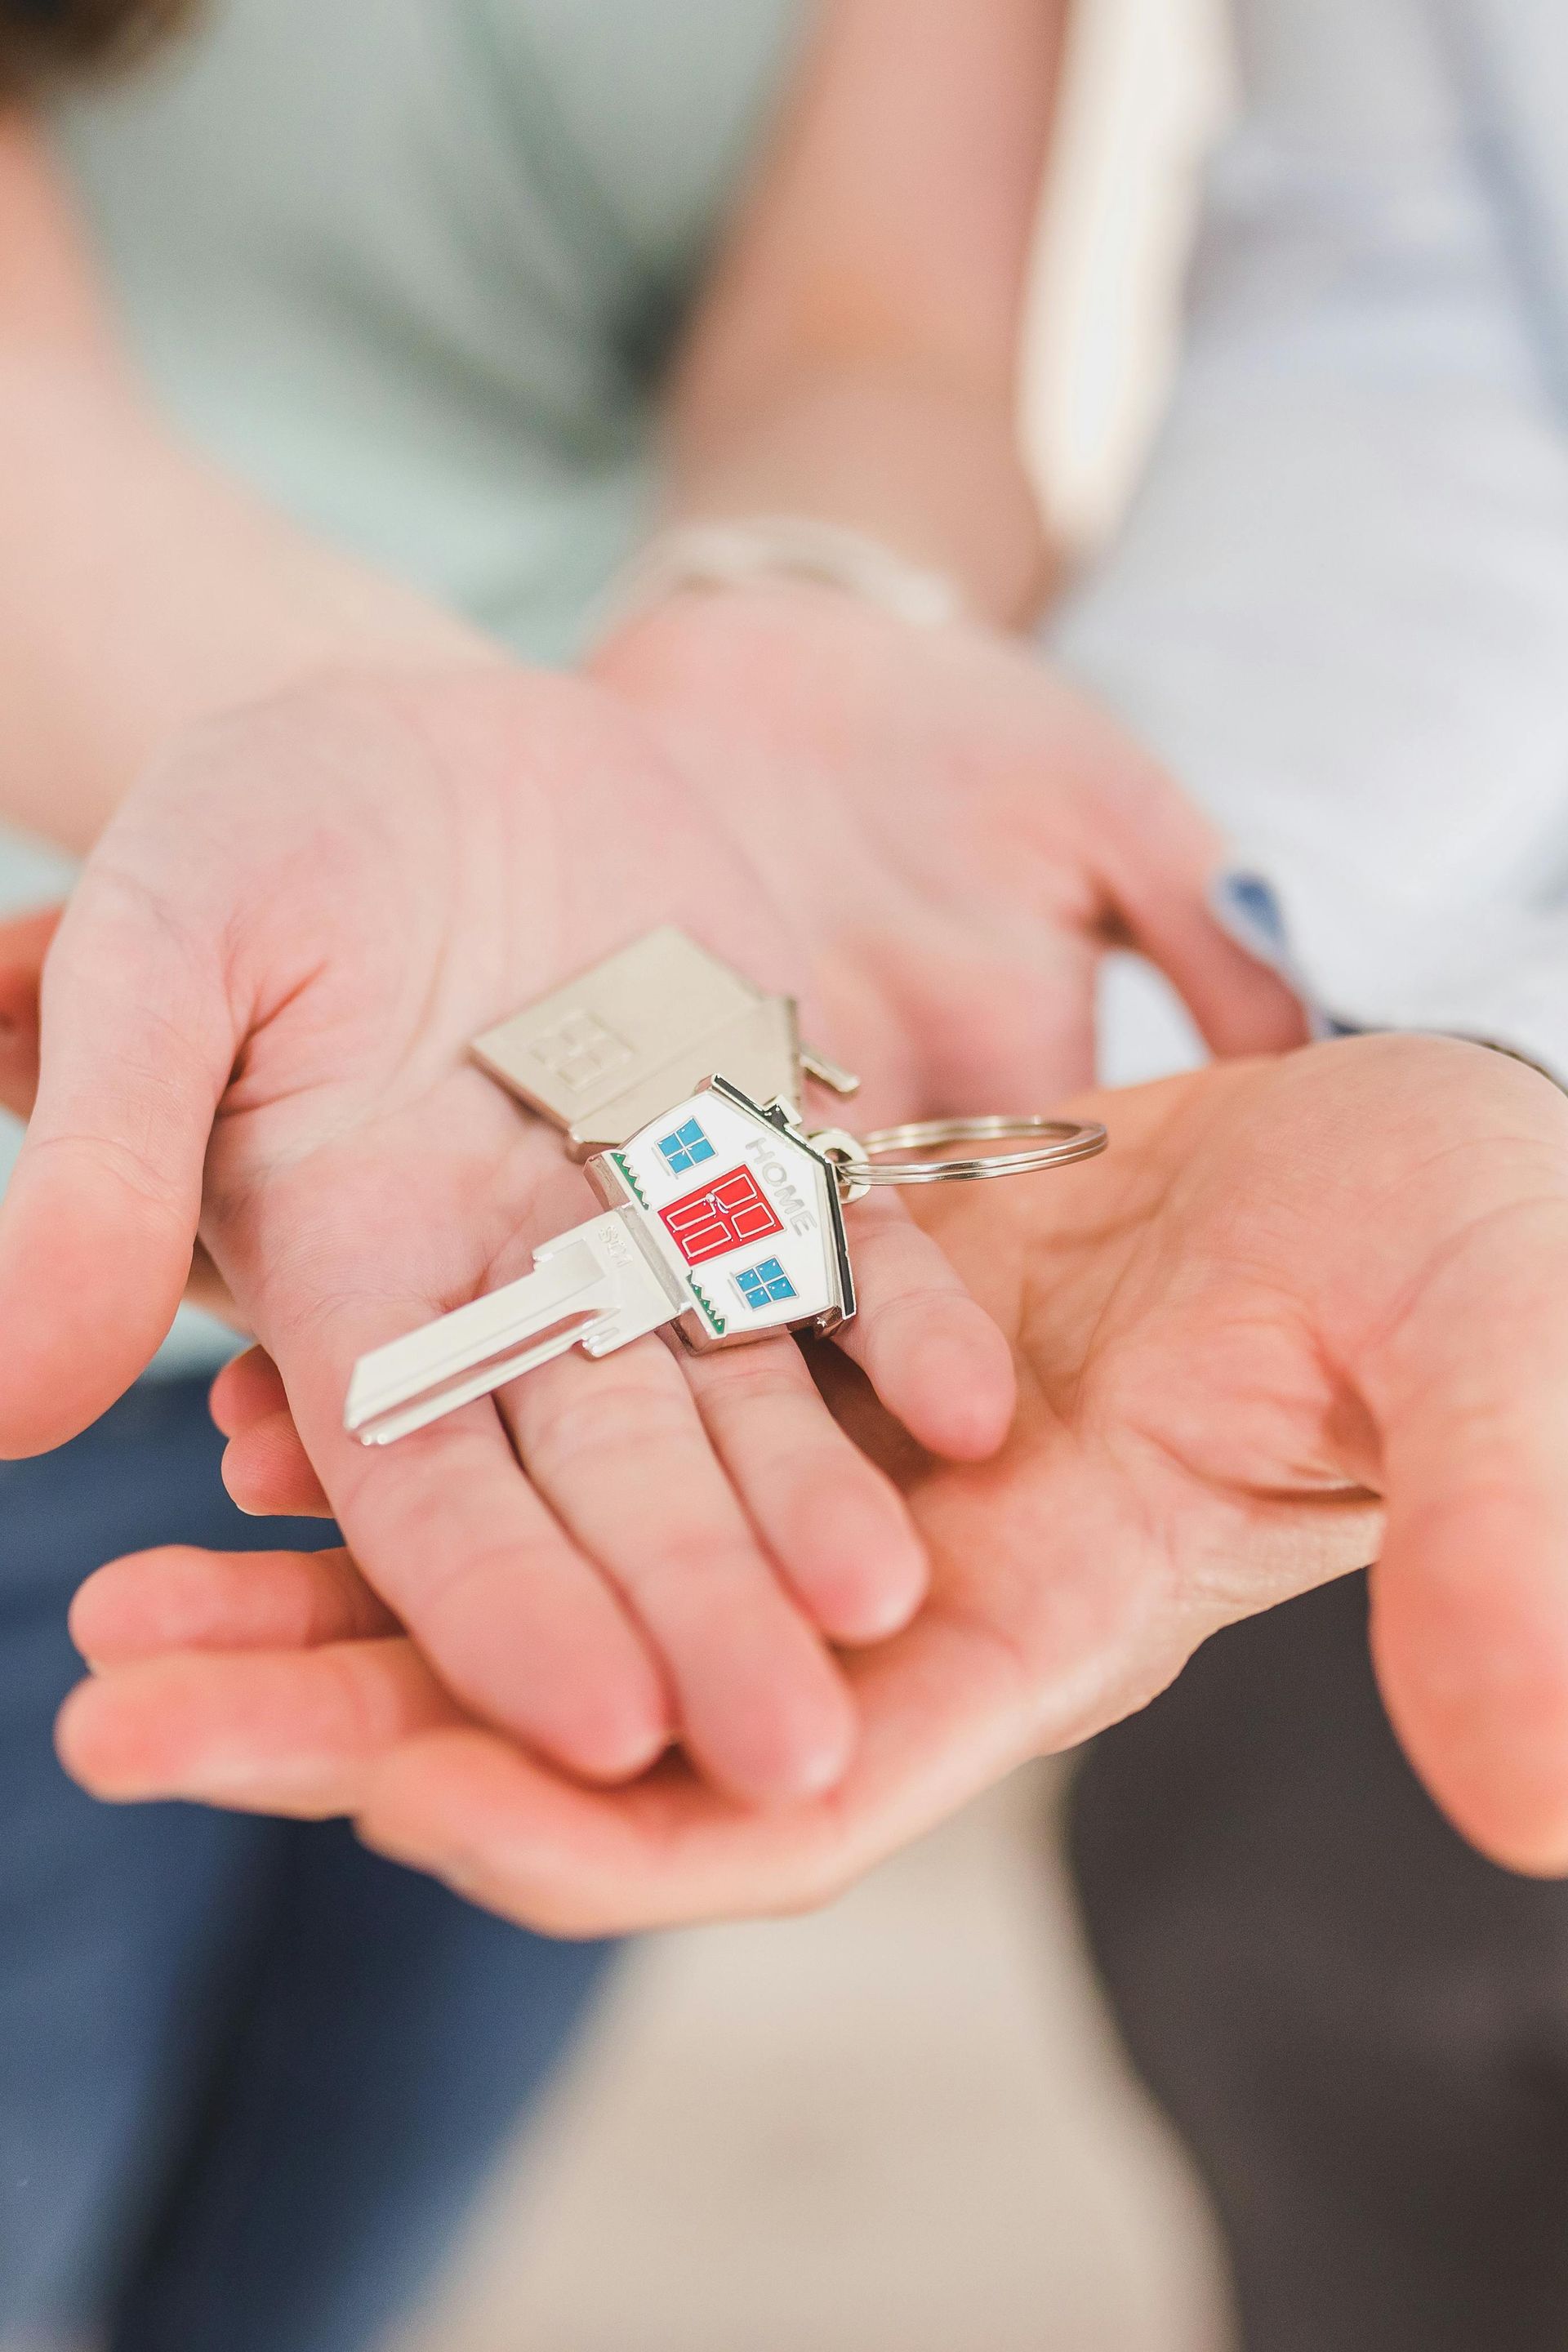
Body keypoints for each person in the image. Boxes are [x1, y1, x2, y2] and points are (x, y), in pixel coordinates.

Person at [0, 4, 1297, 2345]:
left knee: (320, 2260)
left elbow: (880, 331)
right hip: (97, 1072)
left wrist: (805, 608)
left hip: (677, 969)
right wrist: (394, 745)